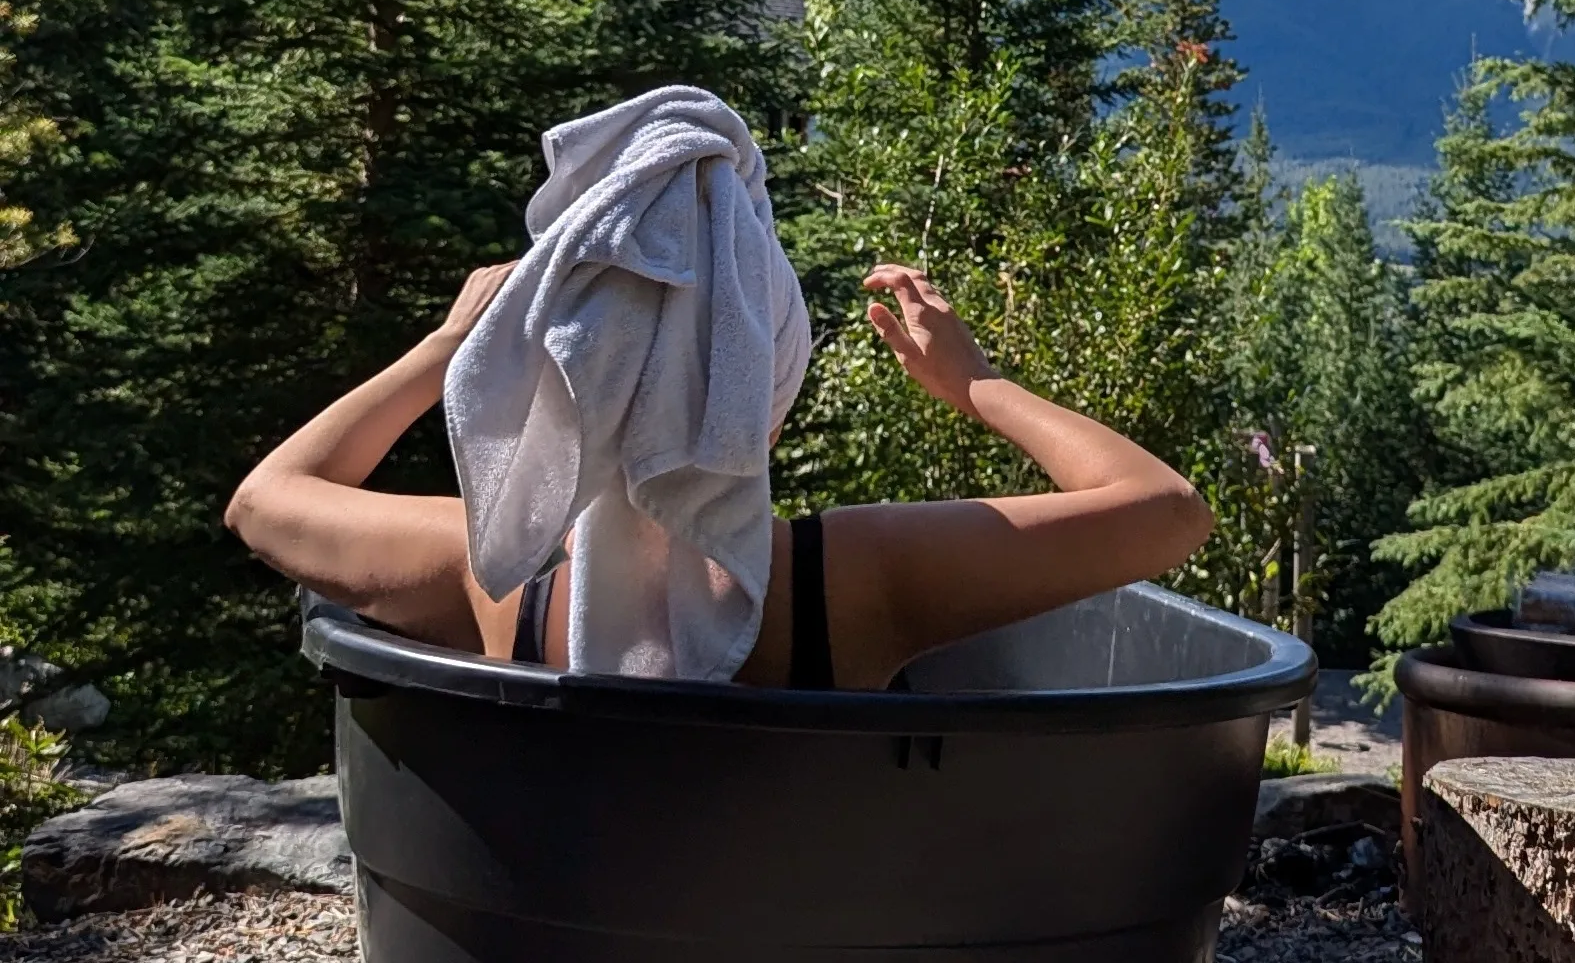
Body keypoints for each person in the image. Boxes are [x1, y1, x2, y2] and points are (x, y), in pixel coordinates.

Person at [225, 261, 1213, 692]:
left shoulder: (495, 567)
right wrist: (980, 386)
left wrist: (446, 349)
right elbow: (1168, 512)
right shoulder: (856, 579)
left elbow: (265, 500)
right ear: (767, 389)